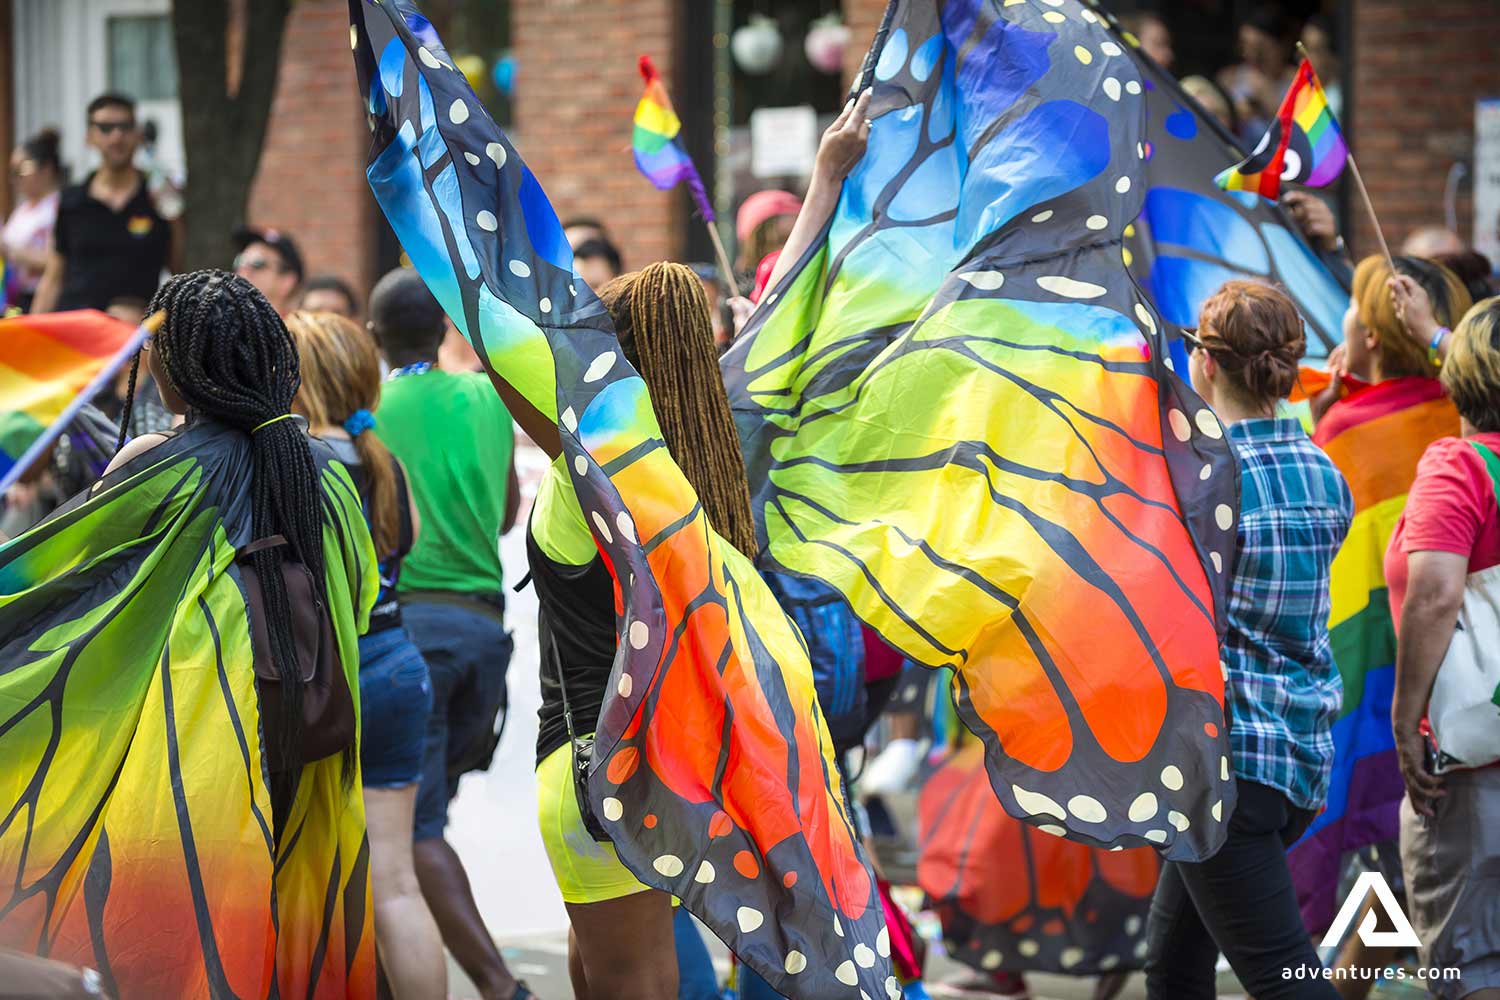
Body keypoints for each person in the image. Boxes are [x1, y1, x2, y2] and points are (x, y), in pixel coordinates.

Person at [1, 270, 376, 995]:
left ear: (172, 371)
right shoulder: (325, 474)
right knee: (283, 933)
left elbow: (64, 581)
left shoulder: (153, 466)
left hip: (198, 737)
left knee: (187, 942)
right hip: (315, 733)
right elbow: (356, 601)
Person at [1145, 282, 1353, 999]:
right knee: (1171, 962)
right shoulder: (1326, 472)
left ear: (1205, 364)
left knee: (1281, 977)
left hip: (1227, 763)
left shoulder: (1206, 480)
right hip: (1294, 756)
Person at [365, 267, 529, 1000]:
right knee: (419, 825)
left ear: (375, 338)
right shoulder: (487, 398)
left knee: (412, 834)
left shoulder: (367, 410)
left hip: (412, 636)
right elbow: (502, 516)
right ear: (443, 332)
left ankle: (501, 987)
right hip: (483, 638)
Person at [286, 310, 446, 1000]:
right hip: (398, 666)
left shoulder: (296, 461)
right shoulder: (385, 462)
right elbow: (404, 543)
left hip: (330, 678)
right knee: (396, 879)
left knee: (303, 871)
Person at [1387, 296, 1500, 1000]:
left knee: (1470, 966)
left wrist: (1406, 719)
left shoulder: (1459, 466)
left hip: (1471, 766)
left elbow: (1433, 593)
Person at [30, 93, 177, 313]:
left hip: (136, 336)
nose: (117, 136)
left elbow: (180, 268)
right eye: (106, 128)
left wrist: (175, 215)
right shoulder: (72, 201)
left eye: (125, 126)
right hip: (78, 332)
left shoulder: (157, 197)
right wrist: (32, 338)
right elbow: (53, 278)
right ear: (89, 137)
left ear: (138, 135)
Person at [1, 128, 63, 311]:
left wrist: (10, 251)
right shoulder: (22, 209)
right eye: (11, 171)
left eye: (21, 170)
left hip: (47, 298)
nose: (14, 178)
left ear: (46, 169)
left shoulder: (58, 207)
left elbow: (57, 260)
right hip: (17, 298)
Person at [1216, 7, 1298, 141]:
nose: (1249, 55)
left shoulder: (1298, 81)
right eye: (1244, 46)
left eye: (1259, 50)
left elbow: (1301, 137)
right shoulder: (1229, 78)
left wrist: (1269, 99)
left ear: (1282, 46)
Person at [233, 225, 304, 316]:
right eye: (239, 261)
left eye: (257, 263)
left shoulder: (298, 329)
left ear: (286, 281)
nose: (244, 270)